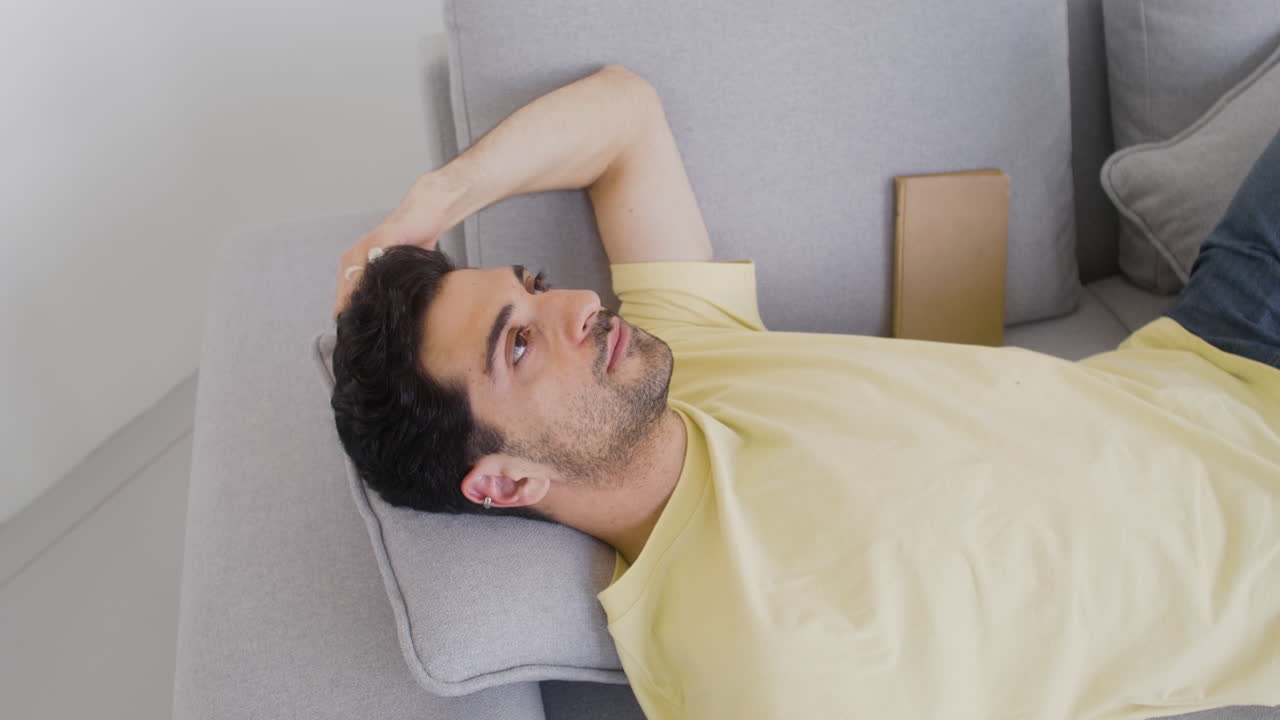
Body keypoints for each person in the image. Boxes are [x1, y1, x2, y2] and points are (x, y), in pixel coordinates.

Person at [329, 65, 1280, 719]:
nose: (578, 303)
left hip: (1212, 346)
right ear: (503, 482)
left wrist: (431, 207)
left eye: (533, 287)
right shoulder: (753, 655)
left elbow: (624, 115)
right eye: (521, 345)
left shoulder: (680, 363)